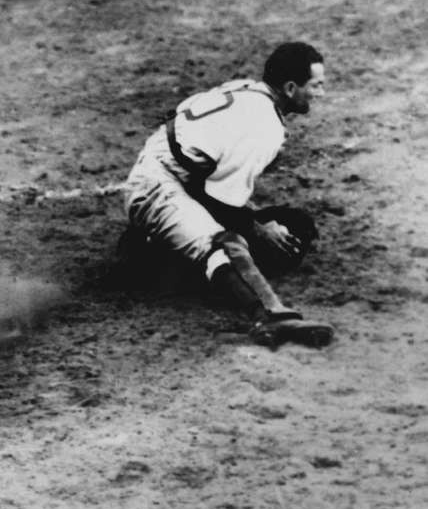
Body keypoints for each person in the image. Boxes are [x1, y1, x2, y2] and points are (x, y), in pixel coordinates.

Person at [122, 42, 334, 348]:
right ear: (290, 88)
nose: (321, 93)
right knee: (226, 244)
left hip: (175, 171)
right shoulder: (265, 127)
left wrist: (261, 225)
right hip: (158, 186)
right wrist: (261, 229)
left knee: (291, 224)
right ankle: (269, 314)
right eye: (316, 85)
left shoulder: (248, 90)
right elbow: (224, 204)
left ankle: (156, 247)